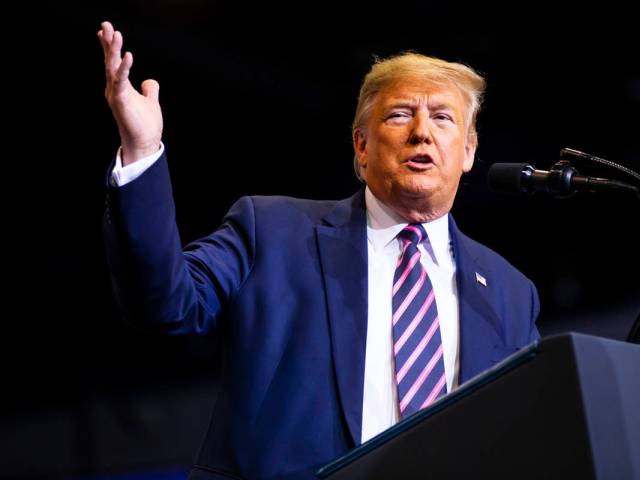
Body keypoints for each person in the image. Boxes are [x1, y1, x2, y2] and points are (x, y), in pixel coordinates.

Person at [98, 20, 540, 480]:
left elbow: (525, 435)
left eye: (443, 118)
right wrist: (143, 151)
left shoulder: (510, 291)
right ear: (361, 145)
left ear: (468, 151)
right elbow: (164, 304)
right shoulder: (270, 231)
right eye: (400, 115)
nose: (422, 133)